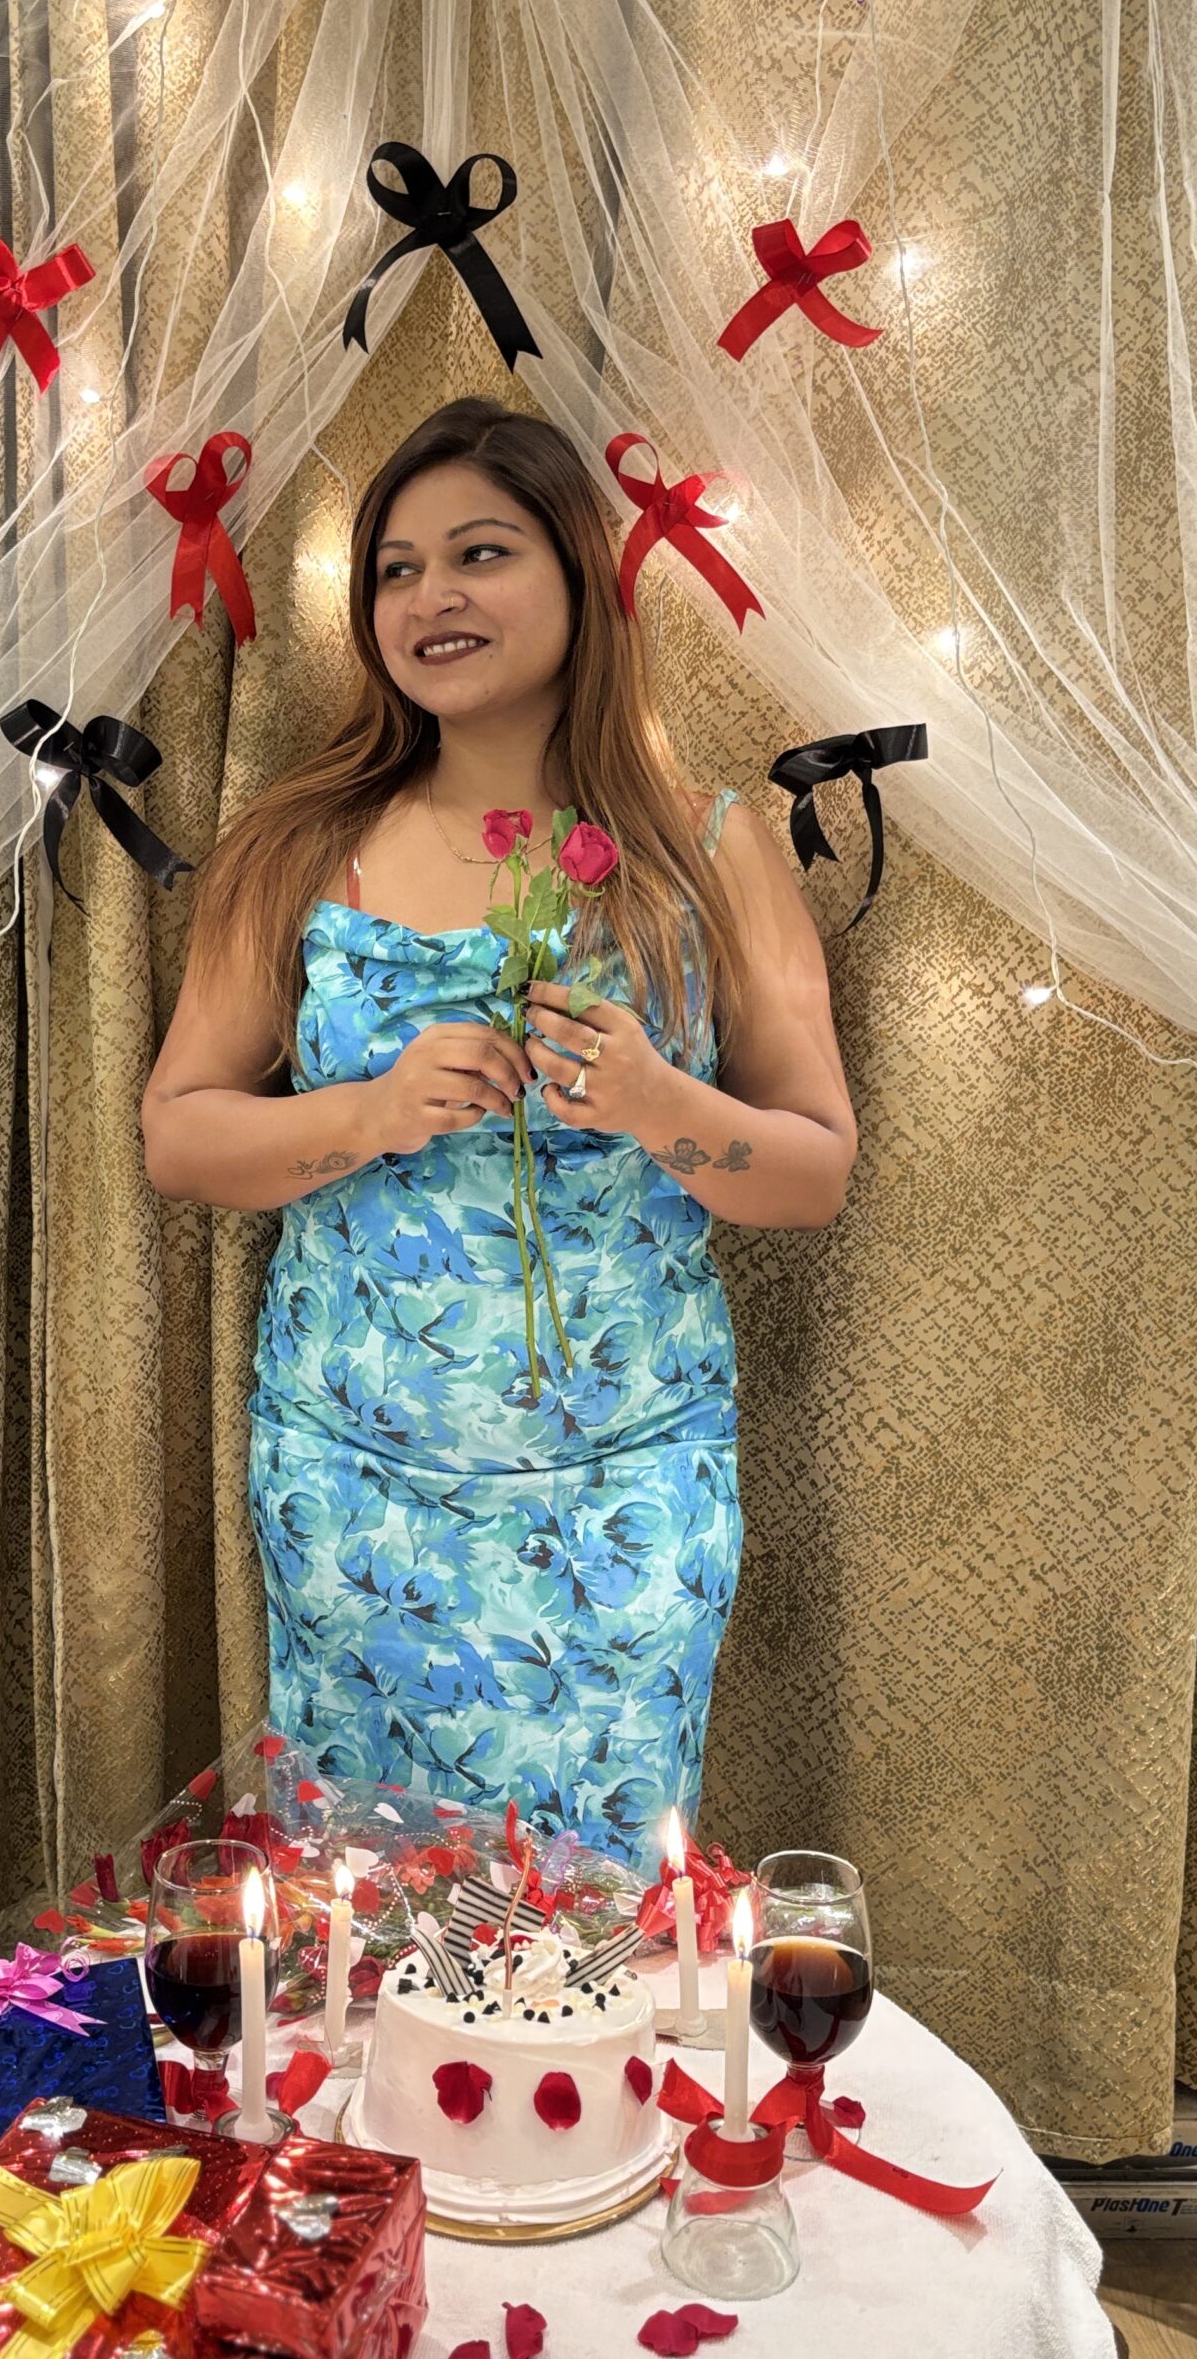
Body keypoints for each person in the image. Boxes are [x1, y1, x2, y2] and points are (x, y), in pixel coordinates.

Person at [144, 397, 855, 1863]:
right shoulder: (298, 845)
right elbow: (179, 1136)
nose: (431, 598)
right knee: (362, 1908)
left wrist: (659, 1104)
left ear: (581, 577)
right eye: (395, 571)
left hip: (624, 1502)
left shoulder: (707, 849)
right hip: (355, 1498)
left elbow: (814, 1171)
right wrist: (368, 1114)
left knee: (597, 1918)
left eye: (480, 553)